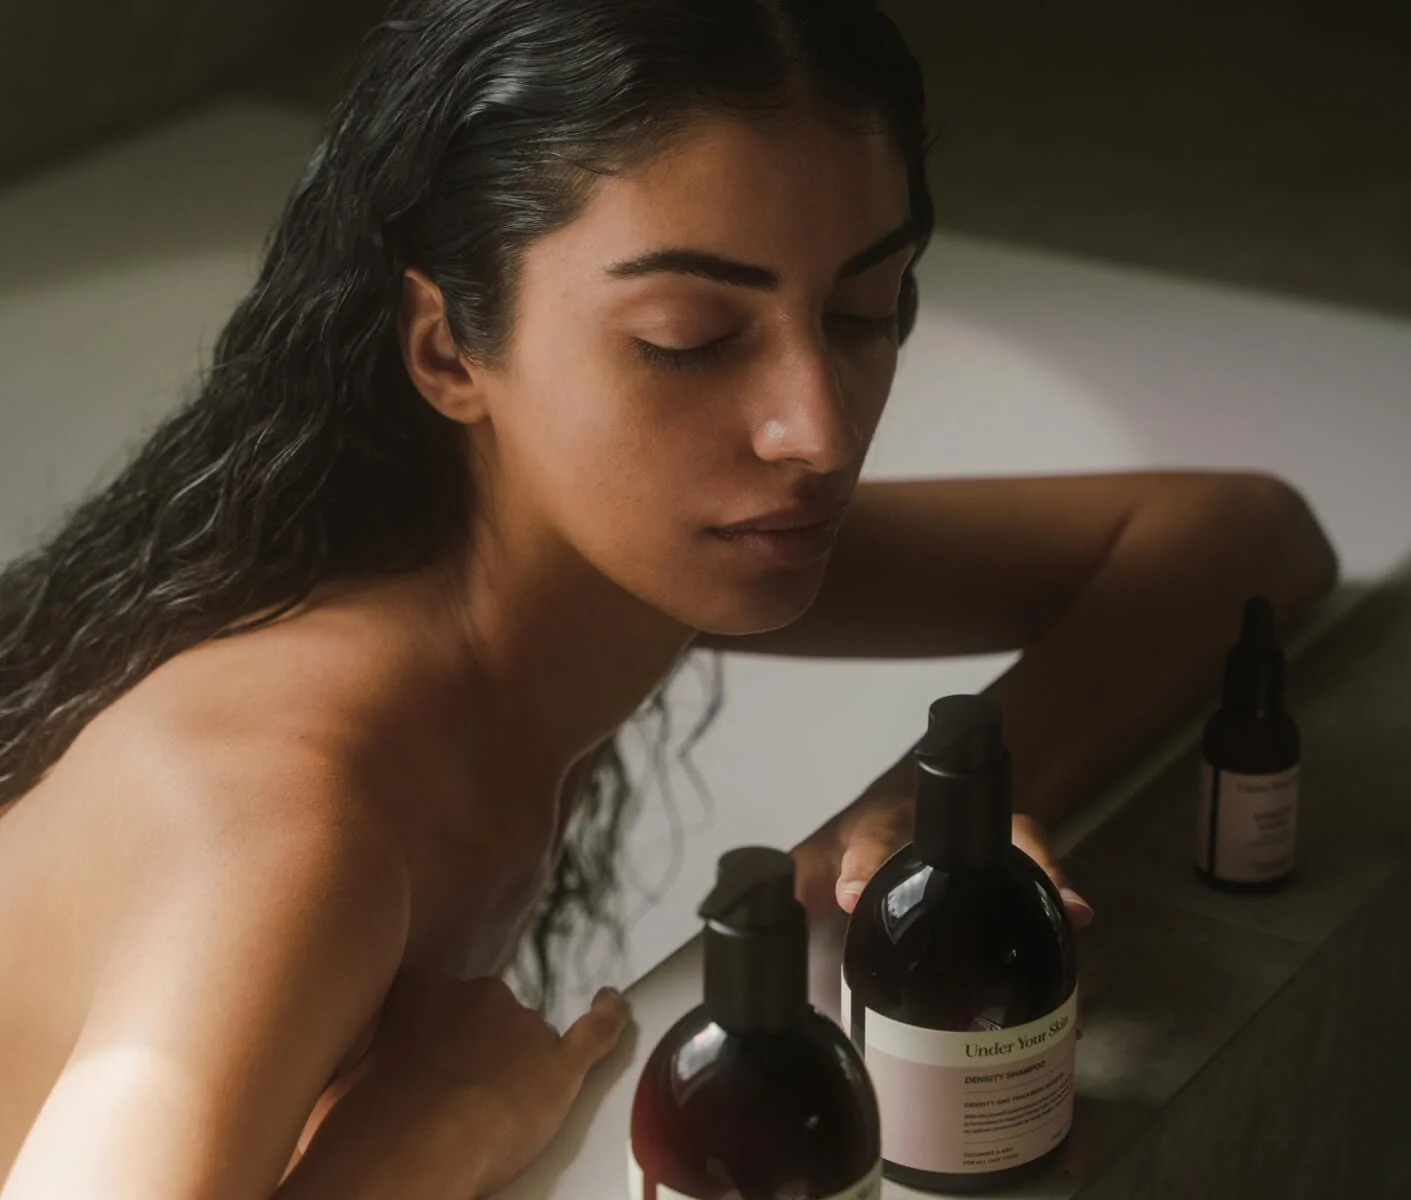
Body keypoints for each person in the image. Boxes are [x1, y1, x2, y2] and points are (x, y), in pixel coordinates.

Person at [0, 0, 1338, 1196]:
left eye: (870, 308)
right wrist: (418, 1142)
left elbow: (1242, 540)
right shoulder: (291, 820)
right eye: (686, 342)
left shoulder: (620, 562)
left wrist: (940, 812)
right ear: (446, 348)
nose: (814, 429)